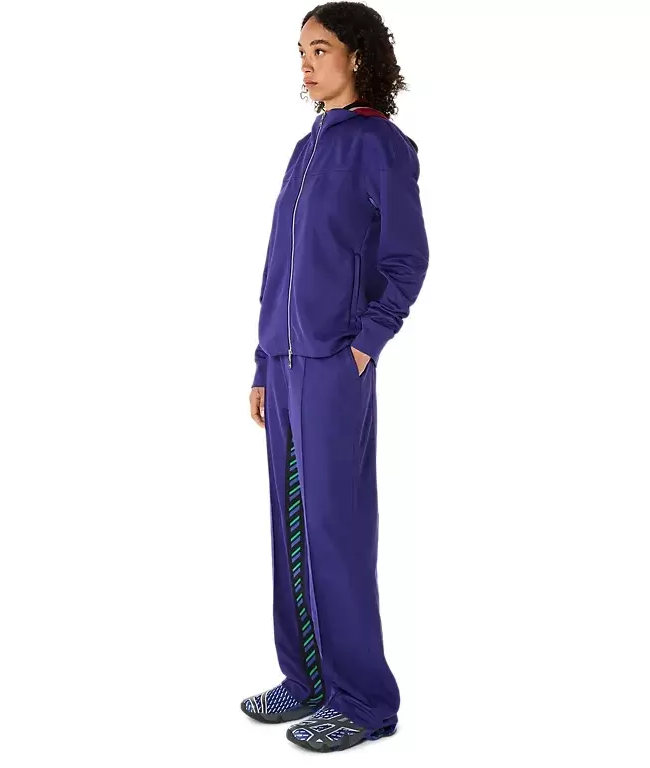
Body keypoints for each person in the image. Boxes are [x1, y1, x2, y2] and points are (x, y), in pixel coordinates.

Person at [242, 2, 429, 753]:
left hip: (334, 364)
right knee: (289, 522)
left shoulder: (381, 145)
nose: (306, 64)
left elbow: (407, 260)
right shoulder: (306, 148)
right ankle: (307, 679)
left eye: (319, 49)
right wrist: (263, 360)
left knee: (337, 530)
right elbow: (277, 268)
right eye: (301, 52)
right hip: (285, 368)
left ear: (357, 55)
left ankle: (364, 701)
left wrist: (366, 344)